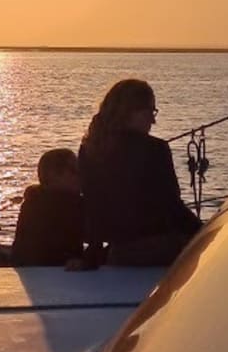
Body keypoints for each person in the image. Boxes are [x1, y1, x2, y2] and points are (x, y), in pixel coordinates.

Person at [78, 79, 200, 267]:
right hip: (162, 248)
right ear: (129, 112)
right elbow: (172, 207)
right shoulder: (155, 149)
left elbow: (93, 206)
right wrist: (206, 231)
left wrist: (93, 252)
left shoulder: (89, 149)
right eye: (150, 111)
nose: (153, 120)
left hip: (119, 252)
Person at [10, 148, 85, 266]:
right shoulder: (67, 205)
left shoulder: (33, 201)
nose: (81, 175)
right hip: (58, 272)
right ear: (53, 176)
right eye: (74, 171)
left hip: (34, 272)